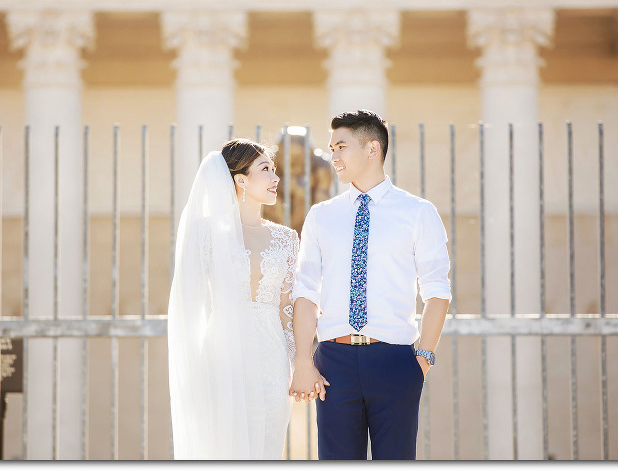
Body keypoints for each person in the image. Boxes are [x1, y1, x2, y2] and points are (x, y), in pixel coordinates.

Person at [290, 109, 451, 460]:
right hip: (333, 363)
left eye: (341, 147)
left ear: (372, 149)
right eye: (332, 148)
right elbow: (305, 291)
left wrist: (422, 360)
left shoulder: (418, 213)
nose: (333, 157)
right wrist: (303, 359)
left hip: (395, 361)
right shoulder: (321, 216)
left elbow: (437, 291)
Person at [167, 139, 302, 459]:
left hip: (271, 360)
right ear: (241, 180)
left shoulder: (287, 238)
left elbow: (287, 309)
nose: (276, 178)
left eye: (274, 169)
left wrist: (299, 362)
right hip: (220, 355)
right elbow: (189, 303)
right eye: (265, 169)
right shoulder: (204, 232)